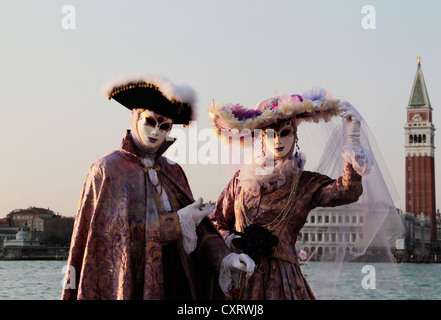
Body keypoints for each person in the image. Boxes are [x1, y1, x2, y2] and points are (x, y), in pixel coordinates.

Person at [61, 75, 255, 300]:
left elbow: (199, 232)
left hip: (176, 281)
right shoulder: (108, 170)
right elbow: (111, 241)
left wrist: (226, 258)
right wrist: (177, 222)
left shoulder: (173, 171)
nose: (157, 132)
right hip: (131, 283)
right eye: (150, 122)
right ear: (135, 117)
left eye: (165, 126)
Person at [208, 88, 380, 299]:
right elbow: (217, 221)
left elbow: (347, 191)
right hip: (241, 275)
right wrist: (231, 241)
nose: (278, 140)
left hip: (283, 284)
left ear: (294, 135)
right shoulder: (240, 181)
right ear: (262, 138)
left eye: (285, 133)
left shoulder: (304, 183)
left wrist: (353, 139)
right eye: (270, 134)